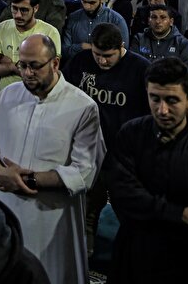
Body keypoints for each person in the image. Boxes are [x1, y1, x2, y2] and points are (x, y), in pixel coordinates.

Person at [0, 34, 103, 284]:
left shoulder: (83, 107)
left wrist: (28, 179)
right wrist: (1, 173)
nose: (27, 73)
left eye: (35, 65)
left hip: (53, 217)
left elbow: (84, 172)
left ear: (55, 63)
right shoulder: (8, 95)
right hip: (6, 208)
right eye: (22, 65)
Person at [107, 57, 188, 283]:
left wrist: (148, 208)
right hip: (135, 257)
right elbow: (123, 196)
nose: (162, 110)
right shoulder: (130, 135)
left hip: (186, 263)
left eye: (172, 100)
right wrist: (181, 214)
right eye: (155, 99)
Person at [62, 22, 149, 257]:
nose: (101, 61)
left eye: (108, 56)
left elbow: (148, 114)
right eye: (97, 55)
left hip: (122, 153)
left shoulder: (140, 69)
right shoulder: (81, 62)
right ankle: (84, 249)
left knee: (127, 206)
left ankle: (132, 253)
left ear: (121, 48)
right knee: (88, 203)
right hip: (86, 149)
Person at [0, 0, 62, 91]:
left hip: (36, 97)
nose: (18, 15)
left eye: (24, 10)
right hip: (6, 95)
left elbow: (50, 72)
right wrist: (12, 67)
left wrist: (6, 65)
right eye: (14, 8)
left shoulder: (50, 32)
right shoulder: (3, 27)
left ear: (35, 8)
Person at [61, 0, 128, 64]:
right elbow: (65, 51)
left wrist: (89, 48)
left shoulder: (116, 20)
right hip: (78, 68)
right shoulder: (73, 18)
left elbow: (123, 52)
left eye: (92, 3)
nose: (87, 7)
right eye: (84, 1)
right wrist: (81, 47)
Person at [132, 3, 188, 72]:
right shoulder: (139, 39)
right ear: (148, 21)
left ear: (171, 21)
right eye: (154, 17)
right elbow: (133, 65)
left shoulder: (183, 43)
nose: (158, 21)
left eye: (163, 17)